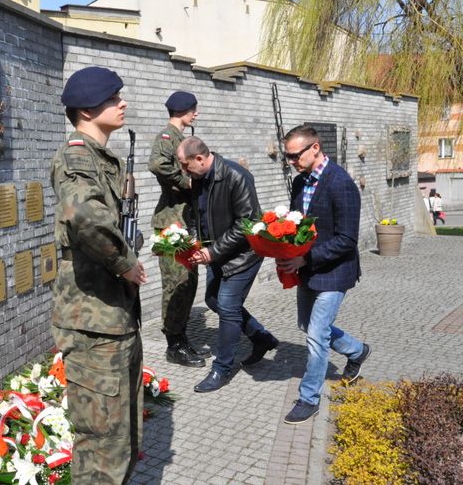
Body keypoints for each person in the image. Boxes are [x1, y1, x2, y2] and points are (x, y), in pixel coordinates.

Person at [50, 66, 146, 484]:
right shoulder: (76, 157)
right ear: (88, 110)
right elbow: (84, 216)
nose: (122, 104)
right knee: (102, 444)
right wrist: (126, 263)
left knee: (122, 437)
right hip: (93, 324)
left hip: (113, 318)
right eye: (113, 98)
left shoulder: (103, 159)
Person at [275, 125, 371, 425]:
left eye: (295, 155)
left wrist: (305, 258)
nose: (291, 161)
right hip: (306, 269)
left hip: (335, 271)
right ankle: (357, 350)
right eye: (288, 156)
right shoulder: (300, 182)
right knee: (307, 324)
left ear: (315, 148)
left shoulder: (340, 183)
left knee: (317, 334)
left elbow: (347, 240)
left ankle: (309, 398)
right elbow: (298, 224)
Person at [176, 137, 280, 393]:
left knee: (227, 305)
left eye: (185, 165)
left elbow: (246, 224)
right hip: (218, 254)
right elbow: (195, 215)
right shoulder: (198, 179)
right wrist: (194, 242)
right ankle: (262, 338)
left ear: (200, 158)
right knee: (213, 300)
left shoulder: (237, 176)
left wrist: (212, 252)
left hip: (244, 254)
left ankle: (222, 369)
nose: (183, 171)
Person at [148, 91, 209, 367]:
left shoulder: (181, 138)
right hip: (170, 223)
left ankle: (181, 339)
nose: (196, 114)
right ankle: (173, 346)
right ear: (183, 110)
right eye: (193, 110)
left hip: (184, 221)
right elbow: (157, 164)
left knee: (188, 283)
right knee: (176, 283)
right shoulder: (167, 137)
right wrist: (186, 183)